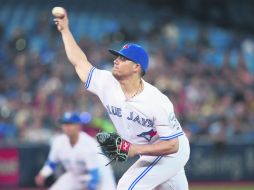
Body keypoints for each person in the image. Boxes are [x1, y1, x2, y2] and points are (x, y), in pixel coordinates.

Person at [53, 9, 190, 190]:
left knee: (127, 186)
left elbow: (173, 145)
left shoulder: (156, 101)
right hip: (150, 152)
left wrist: (135, 149)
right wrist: (65, 31)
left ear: (136, 67)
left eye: (123, 58)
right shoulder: (106, 83)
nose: (116, 61)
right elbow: (79, 62)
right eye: (117, 57)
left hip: (171, 153)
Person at [35, 112, 117, 190]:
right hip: (76, 174)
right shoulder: (58, 142)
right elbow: (52, 163)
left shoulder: (88, 144)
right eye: (65, 124)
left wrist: (90, 187)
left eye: (70, 124)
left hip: (100, 173)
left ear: (78, 126)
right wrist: (43, 174)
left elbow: (95, 174)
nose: (67, 127)